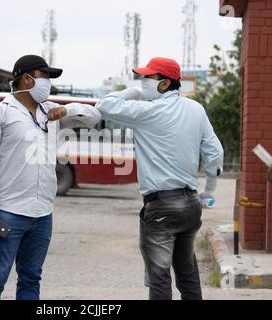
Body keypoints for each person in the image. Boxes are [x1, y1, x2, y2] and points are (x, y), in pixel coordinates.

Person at [0, 55, 101, 300]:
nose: (49, 84)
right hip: (8, 211)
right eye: (45, 77)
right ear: (26, 79)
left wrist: (68, 109)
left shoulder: (50, 112)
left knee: (31, 277)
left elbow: (94, 116)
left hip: (42, 214)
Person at [97, 57, 223, 300]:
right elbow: (215, 153)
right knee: (187, 273)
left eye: (147, 78)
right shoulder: (196, 109)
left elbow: (105, 105)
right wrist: (210, 191)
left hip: (162, 207)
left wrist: (132, 92)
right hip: (190, 204)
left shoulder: (149, 111)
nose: (142, 82)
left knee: (159, 276)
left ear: (164, 84)